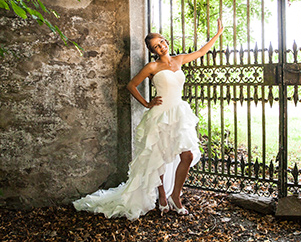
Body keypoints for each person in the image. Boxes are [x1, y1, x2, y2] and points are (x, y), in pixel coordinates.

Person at [73, 19, 224, 220]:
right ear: (153, 51)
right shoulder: (152, 67)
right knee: (158, 156)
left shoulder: (179, 60)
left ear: (165, 41)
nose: (161, 47)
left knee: (186, 155)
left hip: (179, 113)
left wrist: (217, 34)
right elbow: (131, 85)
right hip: (160, 114)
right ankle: (162, 196)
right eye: (156, 47)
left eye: (161, 42)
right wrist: (146, 103)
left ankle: (175, 195)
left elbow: (201, 52)